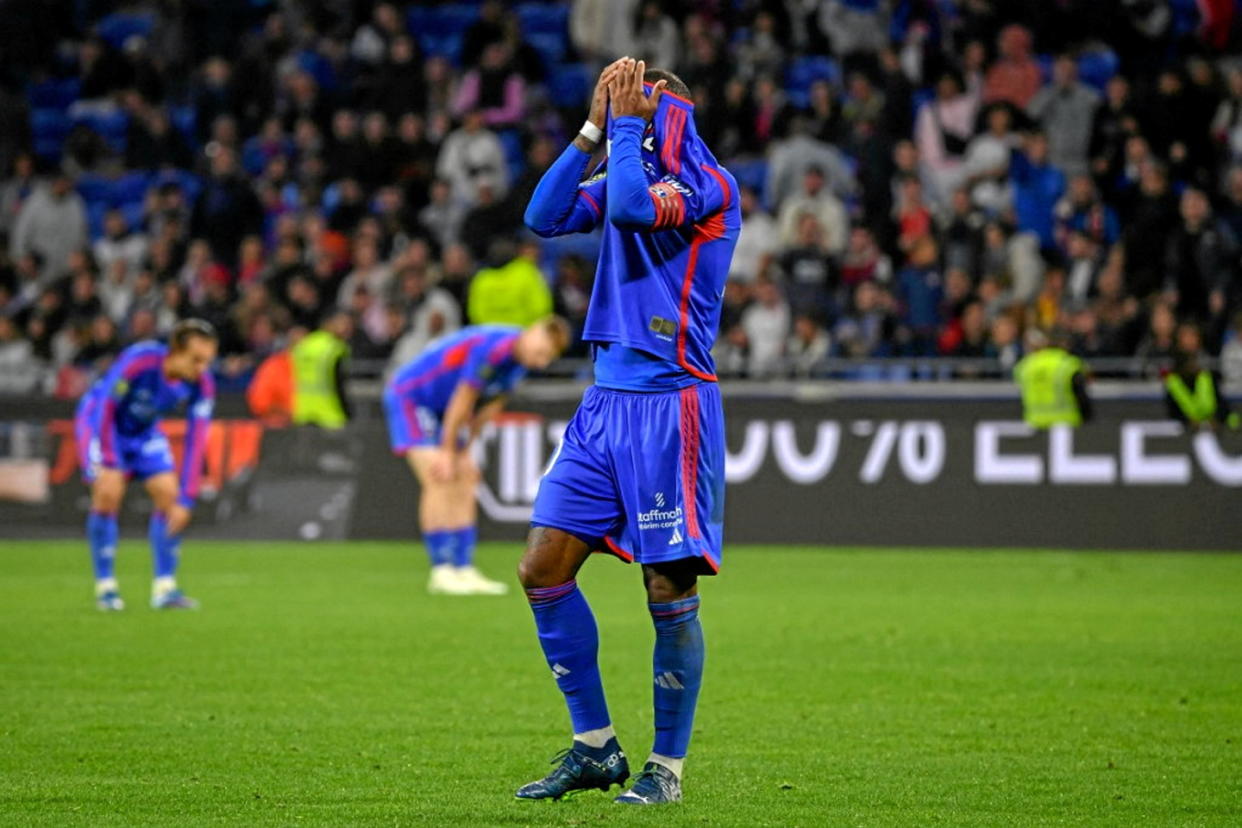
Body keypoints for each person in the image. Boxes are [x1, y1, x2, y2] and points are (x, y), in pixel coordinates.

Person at [521, 58, 739, 805]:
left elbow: (635, 213)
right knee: (542, 570)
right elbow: (544, 216)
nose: (629, 105)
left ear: (673, 107)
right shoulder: (624, 164)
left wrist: (628, 123)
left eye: (643, 96)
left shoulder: (707, 183)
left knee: (666, 588)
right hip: (603, 403)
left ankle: (666, 770)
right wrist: (591, 130)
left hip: (671, 403)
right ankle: (594, 748)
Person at [383, 318, 570, 596]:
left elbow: (488, 409)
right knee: (439, 475)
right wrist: (447, 452)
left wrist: (466, 451)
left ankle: (463, 567)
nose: (541, 363)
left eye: (548, 359)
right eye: (542, 353)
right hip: (412, 398)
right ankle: (442, 569)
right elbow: (464, 398)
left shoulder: (518, 365)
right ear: (532, 333)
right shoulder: (494, 349)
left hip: (442, 409)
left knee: (466, 475)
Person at [74, 319, 218, 611]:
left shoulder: (201, 385)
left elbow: (197, 439)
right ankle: (106, 589)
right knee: (108, 493)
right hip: (101, 424)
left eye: (208, 361)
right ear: (175, 350)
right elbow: (106, 404)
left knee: (169, 495)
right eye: (196, 359)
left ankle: (165, 589)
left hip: (143, 432)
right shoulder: (141, 360)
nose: (202, 368)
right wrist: (110, 461)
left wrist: (187, 498)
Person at [1164, 323, 1239, 430]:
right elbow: (1172, 409)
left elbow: (1221, 403)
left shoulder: (1208, 373)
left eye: (1193, 337)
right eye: (1186, 337)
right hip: (1182, 435)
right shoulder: (1173, 378)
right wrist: (1187, 422)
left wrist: (1216, 419)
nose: (1190, 341)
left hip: (1213, 432)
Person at [1013, 328, 1092, 428]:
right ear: (1065, 344)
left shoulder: (1026, 365)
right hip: (1066, 425)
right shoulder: (1069, 365)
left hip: (1034, 424)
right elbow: (1081, 397)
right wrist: (1088, 419)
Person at [289, 310, 353, 429]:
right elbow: (339, 384)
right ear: (329, 323)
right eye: (343, 323)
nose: (347, 328)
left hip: (303, 413)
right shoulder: (335, 348)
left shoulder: (304, 345)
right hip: (330, 414)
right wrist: (348, 412)